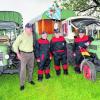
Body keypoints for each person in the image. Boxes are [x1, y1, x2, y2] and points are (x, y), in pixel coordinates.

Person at [13, 23, 35, 91]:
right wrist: (18, 54)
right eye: (29, 28)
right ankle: (22, 84)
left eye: (31, 28)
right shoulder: (21, 36)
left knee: (31, 68)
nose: (30, 29)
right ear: (25, 28)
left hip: (31, 54)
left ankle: (30, 80)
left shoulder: (32, 34)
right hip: (23, 54)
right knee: (23, 70)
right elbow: (14, 45)